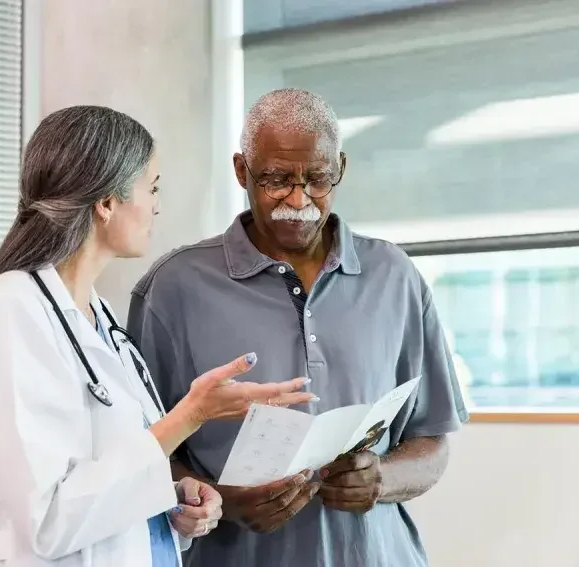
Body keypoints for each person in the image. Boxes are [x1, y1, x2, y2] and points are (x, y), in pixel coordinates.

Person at [0, 105, 316, 567]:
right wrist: (191, 415)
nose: (158, 204)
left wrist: (175, 500)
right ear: (106, 202)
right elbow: (44, 522)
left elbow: (107, 479)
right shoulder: (9, 311)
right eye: (152, 187)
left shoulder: (95, 315)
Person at [128, 88, 469, 566]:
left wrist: (382, 479)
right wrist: (222, 500)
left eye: (318, 179)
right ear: (242, 171)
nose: (299, 198)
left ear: (341, 169)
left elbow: (432, 441)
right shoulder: (173, 288)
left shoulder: (395, 275)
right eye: (276, 179)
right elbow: (138, 455)